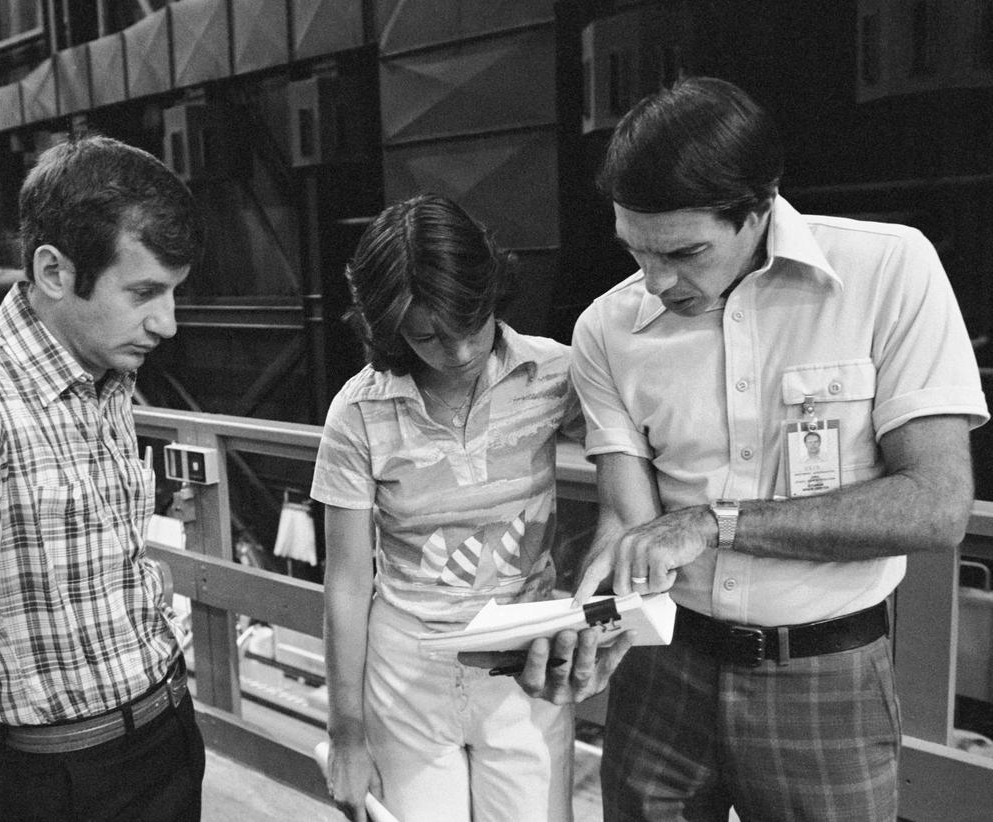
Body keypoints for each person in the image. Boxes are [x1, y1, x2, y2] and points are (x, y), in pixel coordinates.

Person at [556, 76, 988, 820]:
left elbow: (938, 506)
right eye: (636, 252)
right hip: (662, 670)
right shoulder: (606, 328)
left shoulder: (889, 272)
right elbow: (627, 525)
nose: (656, 283)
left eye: (685, 252)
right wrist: (591, 614)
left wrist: (710, 523)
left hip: (827, 678)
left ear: (760, 208)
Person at [0, 135, 205, 821]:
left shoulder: (106, 372)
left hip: (170, 733)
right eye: (144, 291)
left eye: (172, 292)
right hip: (65, 781)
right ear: (53, 271)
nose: (166, 323)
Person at [312, 194, 630, 822]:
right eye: (427, 335)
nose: (457, 352)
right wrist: (345, 733)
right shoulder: (358, 413)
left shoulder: (555, 374)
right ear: (390, 328)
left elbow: (629, 470)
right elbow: (348, 582)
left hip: (526, 657)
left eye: (471, 323)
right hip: (407, 666)